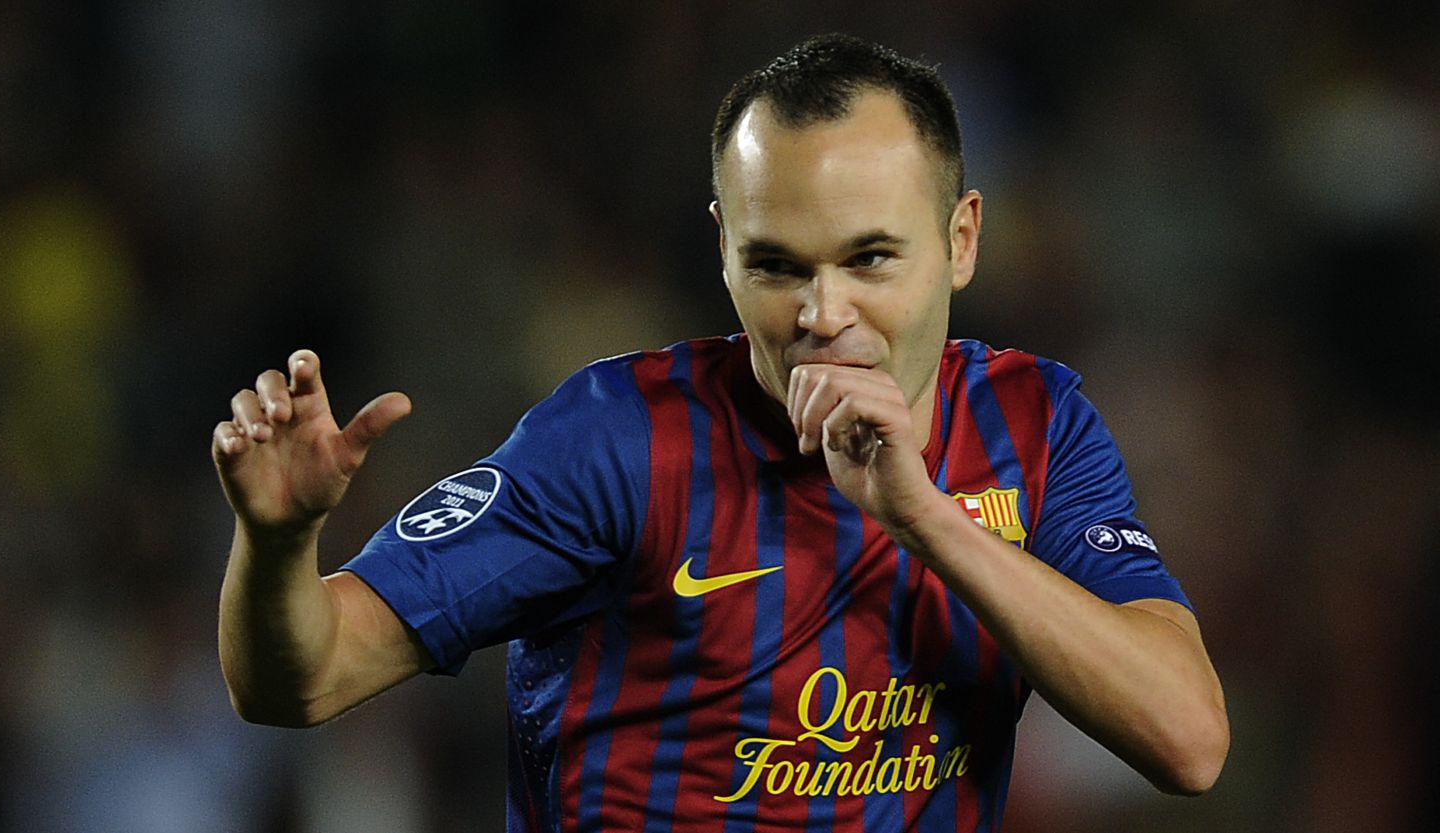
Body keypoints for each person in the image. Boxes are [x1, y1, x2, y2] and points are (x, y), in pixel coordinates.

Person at [214, 33, 1227, 832]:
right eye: (778, 264)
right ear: (723, 247)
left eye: (870, 258)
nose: (823, 312)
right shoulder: (618, 442)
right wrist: (273, 541)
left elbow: (1187, 740)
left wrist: (925, 519)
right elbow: (299, 680)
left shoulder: (1034, 424)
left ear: (960, 239)